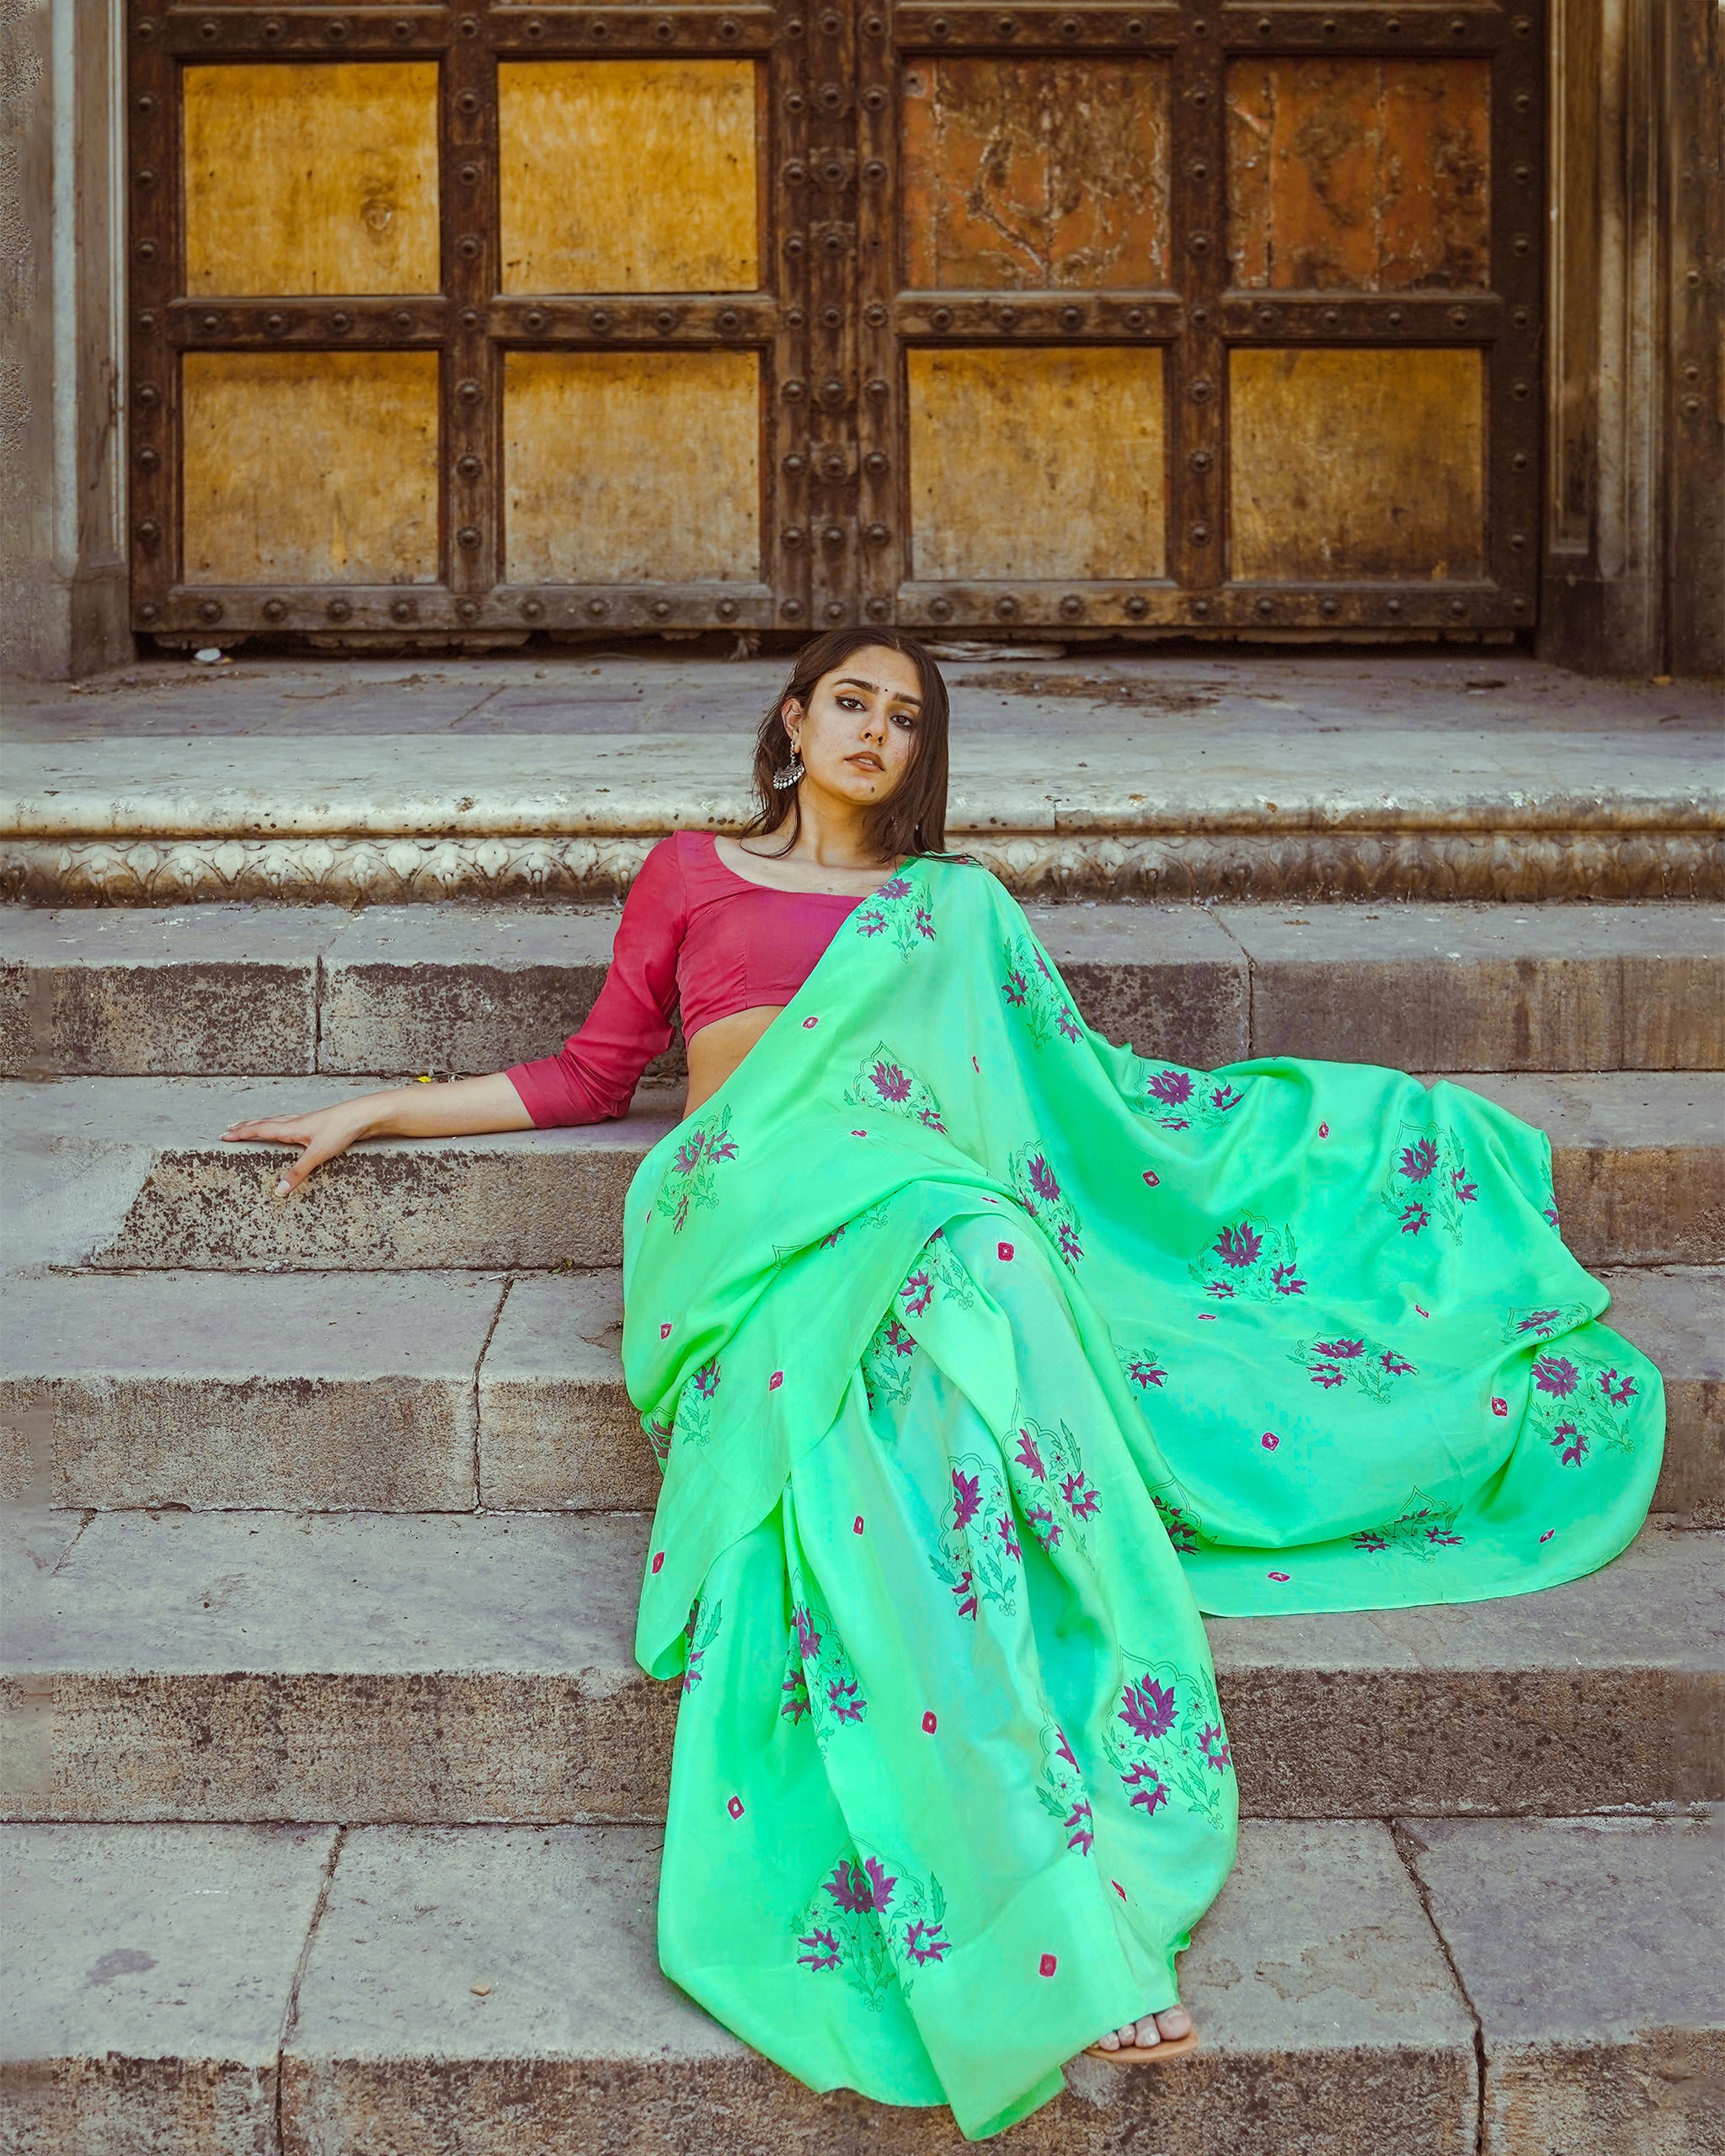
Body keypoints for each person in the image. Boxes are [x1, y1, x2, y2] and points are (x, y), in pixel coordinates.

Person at [223, 627, 1664, 2141]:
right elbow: (593, 1077)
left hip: (933, 1216)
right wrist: (381, 1106)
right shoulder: (690, 872)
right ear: (791, 723)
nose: (876, 731)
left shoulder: (953, 909)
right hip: (760, 1212)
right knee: (953, 1277)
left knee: (963, 1313)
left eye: (906, 718)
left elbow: (1081, 1100)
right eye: (851, 701)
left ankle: (1048, 1882)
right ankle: (1037, 1906)